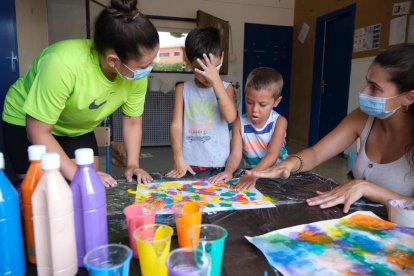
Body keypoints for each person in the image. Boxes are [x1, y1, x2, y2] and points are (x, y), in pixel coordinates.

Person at [1, 0, 159, 187]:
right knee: (39, 190)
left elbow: (133, 121)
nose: (148, 69)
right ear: (112, 61)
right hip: (28, 122)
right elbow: (38, 131)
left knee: (88, 187)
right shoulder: (62, 63)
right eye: (143, 66)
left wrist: (132, 164)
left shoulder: (135, 74)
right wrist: (77, 174)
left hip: (76, 127)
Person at [248, 44, 414, 213]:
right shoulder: (363, 117)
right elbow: (316, 153)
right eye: (367, 83)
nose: (364, 91)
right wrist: (289, 164)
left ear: (409, 97)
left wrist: (366, 188)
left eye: (375, 87)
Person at [166, 27, 237, 178]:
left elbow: (230, 117)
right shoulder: (182, 89)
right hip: (189, 163)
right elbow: (176, 126)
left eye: (214, 67)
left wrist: (216, 81)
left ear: (222, 58)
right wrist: (177, 157)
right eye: (201, 69)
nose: (208, 76)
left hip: (219, 164)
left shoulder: (226, 88)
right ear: (187, 61)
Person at [209, 67, 288, 191]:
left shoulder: (279, 122)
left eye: (262, 104)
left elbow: (273, 154)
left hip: (277, 177)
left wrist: (254, 174)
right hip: (251, 176)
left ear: (276, 102)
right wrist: (228, 171)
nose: (254, 109)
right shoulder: (239, 123)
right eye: (249, 102)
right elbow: (235, 154)